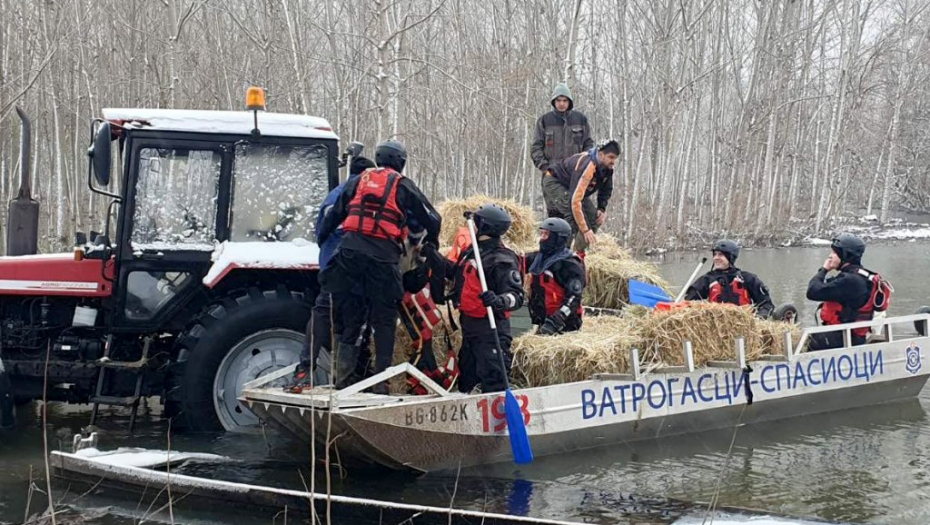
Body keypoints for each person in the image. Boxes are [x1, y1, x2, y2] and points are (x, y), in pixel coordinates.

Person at [318, 140, 441, 394]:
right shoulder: (402, 184)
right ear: (401, 163)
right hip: (383, 259)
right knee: (384, 320)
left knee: (344, 313)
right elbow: (433, 217)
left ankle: (340, 379)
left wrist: (322, 240)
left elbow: (335, 213)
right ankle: (380, 382)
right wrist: (432, 242)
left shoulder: (359, 180)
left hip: (349, 255)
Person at [289, 155, 376, 392]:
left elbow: (320, 232)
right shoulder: (364, 197)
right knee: (353, 322)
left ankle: (304, 370)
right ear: (367, 175)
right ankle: (344, 380)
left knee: (322, 314)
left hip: (329, 267)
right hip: (354, 271)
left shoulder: (333, 195)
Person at [426, 204, 525, 394]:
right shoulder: (472, 252)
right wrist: (433, 255)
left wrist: (498, 300)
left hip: (490, 330)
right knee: (466, 381)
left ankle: (499, 419)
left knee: (493, 380)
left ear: (485, 226)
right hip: (470, 329)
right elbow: (453, 273)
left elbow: (516, 296)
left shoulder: (502, 259)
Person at [806, 233, 890, 350]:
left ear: (845, 255)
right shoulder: (861, 276)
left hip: (844, 337)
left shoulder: (850, 280)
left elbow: (812, 292)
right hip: (853, 335)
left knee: (808, 341)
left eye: (834, 253)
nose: (830, 256)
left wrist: (823, 270)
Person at [542, 140, 618, 251]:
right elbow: (575, 202)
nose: (613, 161)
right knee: (573, 217)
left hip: (573, 187)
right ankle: (561, 254)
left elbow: (606, 190)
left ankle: (577, 254)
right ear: (601, 155)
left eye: (615, 158)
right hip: (555, 181)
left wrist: (602, 208)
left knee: (593, 219)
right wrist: (585, 230)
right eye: (611, 157)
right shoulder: (587, 166)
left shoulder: (608, 169)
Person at [524, 218, 585, 335]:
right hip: (543, 321)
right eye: (541, 233)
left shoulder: (570, 264)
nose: (541, 238)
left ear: (557, 238)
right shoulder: (538, 258)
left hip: (565, 326)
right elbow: (515, 262)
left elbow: (573, 298)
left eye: (546, 234)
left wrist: (556, 321)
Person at [685, 240, 775, 319]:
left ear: (731, 257)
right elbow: (688, 303)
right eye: (715, 254)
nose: (716, 258)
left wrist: (758, 319)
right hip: (717, 326)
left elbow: (767, 305)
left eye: (720, 255)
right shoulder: (707, 279)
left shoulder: (747, 278)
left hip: (744, 324)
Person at [531, 83, 594, 175]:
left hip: (575, 172)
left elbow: (588, 144)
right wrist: (544, 167)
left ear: (569, 102)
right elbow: (536, 147)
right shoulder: (544, 120)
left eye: (565, 100)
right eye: (558, 100)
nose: (561, 103)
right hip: (552, 173)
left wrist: (583, 164)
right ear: (554, 101)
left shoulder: (581, 120)